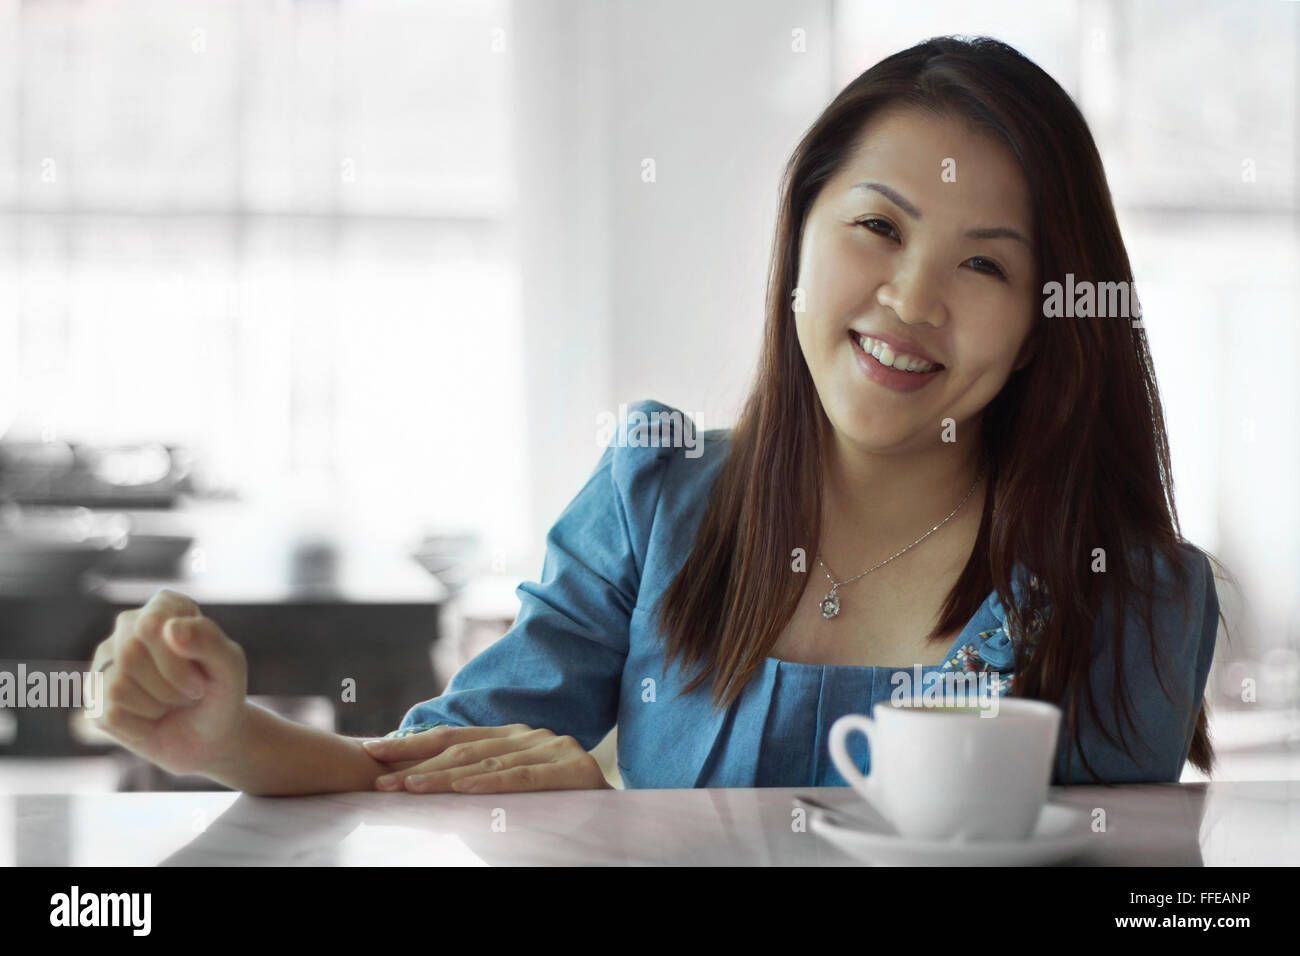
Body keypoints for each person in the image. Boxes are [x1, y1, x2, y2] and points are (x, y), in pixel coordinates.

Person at [90, 35, 1228, 796]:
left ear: (1044, 320)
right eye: (875, 229)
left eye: (982, 265)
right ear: (796, 240)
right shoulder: (654, 495)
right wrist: (222, 735)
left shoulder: (1128, 598)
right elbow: (415, 768)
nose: (910, 300)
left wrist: (617, 825)